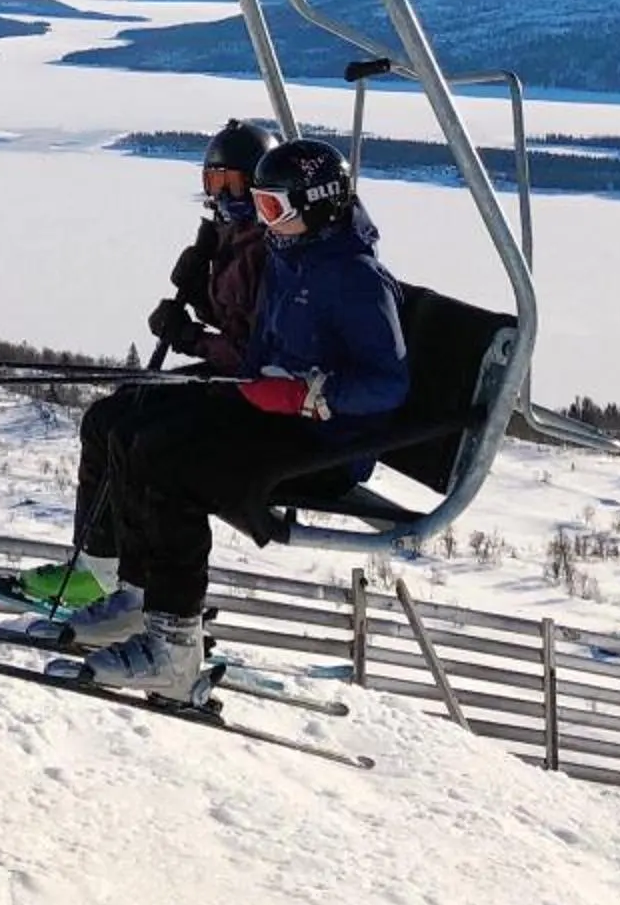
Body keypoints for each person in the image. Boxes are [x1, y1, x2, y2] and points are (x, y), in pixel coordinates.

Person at [68, 136, 412, 701]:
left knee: (173, 465)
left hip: (328, 444)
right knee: (132, 428)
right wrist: (230, 366)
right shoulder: (289, 258)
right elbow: (260, 350)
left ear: (317, 204)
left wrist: (310, 393)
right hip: (274, 415)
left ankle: (175, 649)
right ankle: (138, 595)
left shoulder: (355, 279)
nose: (263, 220)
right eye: (259, 205)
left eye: (273, 208)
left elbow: (387, 385)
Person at [12, 118, 273, 612]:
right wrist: (199, 296)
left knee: (138, 439)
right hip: (231, 377)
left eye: (232, 183)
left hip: (252, 391)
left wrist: (193, 335)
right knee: (105, 419)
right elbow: (234, 318)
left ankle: (140, 583)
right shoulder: (234, 237)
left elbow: (257, 352)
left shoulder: (271, 249)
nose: (222, 194)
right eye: (213, 183)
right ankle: (99, 564)